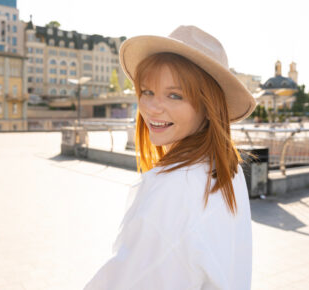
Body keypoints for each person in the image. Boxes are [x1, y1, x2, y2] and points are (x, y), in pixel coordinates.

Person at [84, 26, 256, 290]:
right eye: (147, 91)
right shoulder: (227, 170)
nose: (152, 107)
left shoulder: (174, 188)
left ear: (209, 106)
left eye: (174, 95)